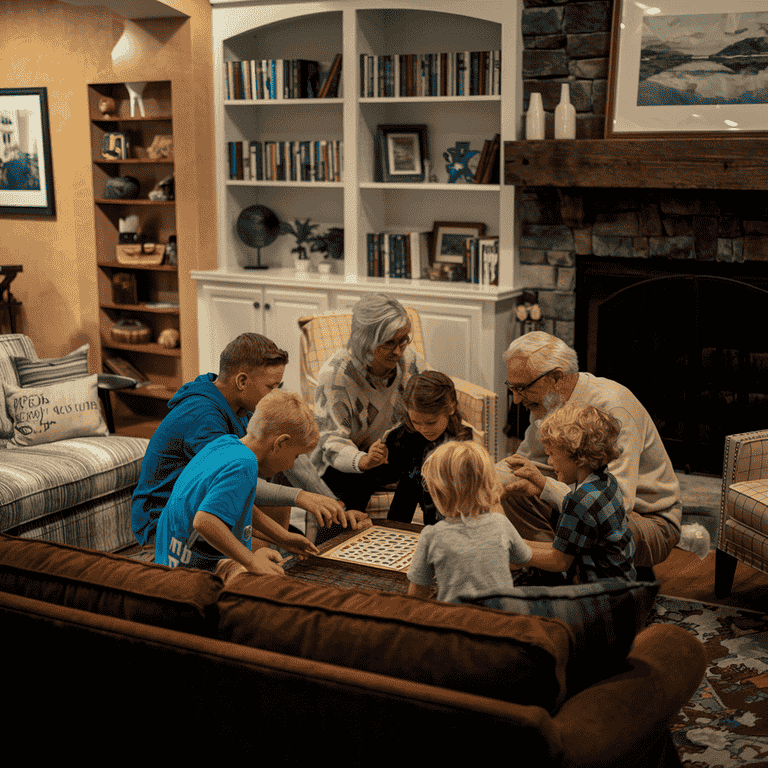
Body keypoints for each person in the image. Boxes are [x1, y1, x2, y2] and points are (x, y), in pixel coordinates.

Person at [131, 332, 366, 558]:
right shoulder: (202, 416)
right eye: (271, 387)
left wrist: (336, 510)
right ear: (242, 381)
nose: (275, 394)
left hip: (208, 505)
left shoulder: (238, 403)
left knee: (279, 474)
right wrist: (300, 498)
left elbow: (289, 458)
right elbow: (230, 483)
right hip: (165, 523)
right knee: (270, 553)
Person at [496, 331, 681, 572]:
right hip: (585, 501)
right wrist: (481, 482)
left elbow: (616, 505)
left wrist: (545, 487)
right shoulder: (547, 401)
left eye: (522, 388)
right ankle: (551, 573)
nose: (517, 400)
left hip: (645, 519)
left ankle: (578, 577)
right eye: (512, 388)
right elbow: (524, 463)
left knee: (593, 524)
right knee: (513, 490)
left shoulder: (613, 407)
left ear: (556, 377)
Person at [155, 390, 318, 574]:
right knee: (273, 579)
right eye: (296, 456)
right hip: (186, 572)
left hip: (169, 559)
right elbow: (204, 521)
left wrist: (282, 537)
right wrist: (251, 562)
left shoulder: (226, 443)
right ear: (280, 443)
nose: (292, 464)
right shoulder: (245, 463)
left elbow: (240, 504)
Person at [311, 293, 428, 514]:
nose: (398, 350)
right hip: (347, 464)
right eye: (388, 343)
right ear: (365, 341)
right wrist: (363, 460)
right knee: (351, 487)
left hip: (393, 456)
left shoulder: (409, 361)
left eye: (403, 339)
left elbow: (431, 399)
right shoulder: (337, 375)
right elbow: (330, 442)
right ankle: (332, 547)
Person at [513, 402, 636, 584]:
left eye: (553, 454)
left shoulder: (580, 503)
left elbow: (559, 560)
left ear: (578, 456)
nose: (549, 461)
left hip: (600, 594)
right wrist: (519, 544)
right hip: (624, 582)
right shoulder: (606, 481)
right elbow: (578, 515)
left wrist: (514, 552)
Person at [406, 440, 531, 604]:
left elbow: (417, 594)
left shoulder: (431, 535)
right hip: (502, 619)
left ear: (438, 494)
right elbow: (522, 559)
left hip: (457, 622)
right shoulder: (501, 523)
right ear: (488, 485)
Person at [385, 371, 473, 526]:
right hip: (412, 491)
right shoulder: (402, 436)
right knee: (410, 480)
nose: (424, 429)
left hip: (452, 514)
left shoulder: (462, 442)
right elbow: (399, 483)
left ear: (451, 408)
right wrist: (377, 459)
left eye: (431, 422)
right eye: (416, 422)